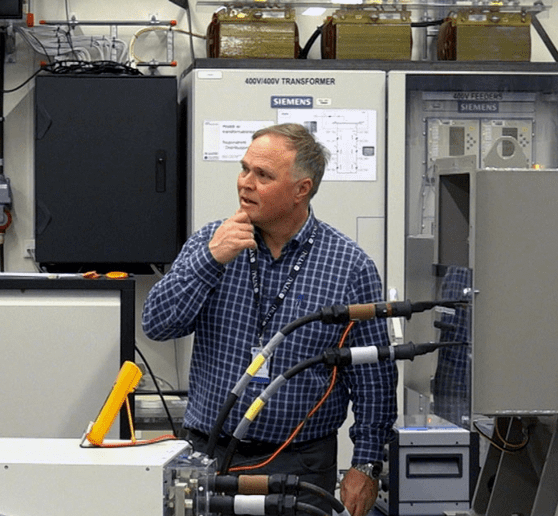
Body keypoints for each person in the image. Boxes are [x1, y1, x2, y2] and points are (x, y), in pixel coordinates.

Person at [142, 123, 397, 516]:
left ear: (302, 189)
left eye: (263, 175)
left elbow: (373, 379)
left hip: (300, 464)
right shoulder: (212, 242)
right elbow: (157, 325)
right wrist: (210, 261)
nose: (245, 183)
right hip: (208, 456)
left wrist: (366, 464)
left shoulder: (350, 266)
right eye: (244, 169)